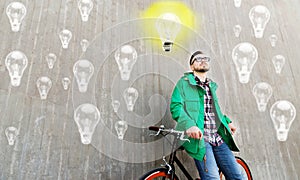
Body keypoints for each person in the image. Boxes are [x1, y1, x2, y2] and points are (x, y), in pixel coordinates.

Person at [170, 50, 243, 179]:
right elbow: (176, 107)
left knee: (238, 177)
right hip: (201, 140)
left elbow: (214, 111)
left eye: (205, 58)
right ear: (192, 66)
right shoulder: (184, 83)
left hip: (218, 138)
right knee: (212, 178)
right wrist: (189, 125)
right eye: (198, 59)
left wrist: (227, 121)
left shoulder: (211, 86)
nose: (202, 60)